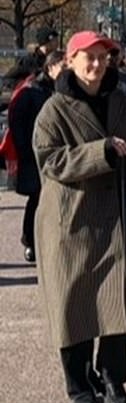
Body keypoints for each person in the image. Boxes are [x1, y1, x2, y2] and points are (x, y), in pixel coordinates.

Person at [32, 30, 126, 403]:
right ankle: (79, 385)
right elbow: (50, 160)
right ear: (70, 60)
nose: (97, 64)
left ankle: (114, 381)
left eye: (103, 57)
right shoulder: (55, 108)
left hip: (117, 220)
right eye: (89, 57)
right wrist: (99, 152)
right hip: (72, 223)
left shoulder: (123, 101)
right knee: (75, 308)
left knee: (119, 306)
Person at [9, 50, 65, 263]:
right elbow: (17, 123)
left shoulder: (61, 90)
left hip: (55, 154)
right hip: (35, 155)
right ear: (50, 68)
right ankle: (30, 241)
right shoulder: (31, 91)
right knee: (37, 199)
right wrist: (25, 151)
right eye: (62, 66)